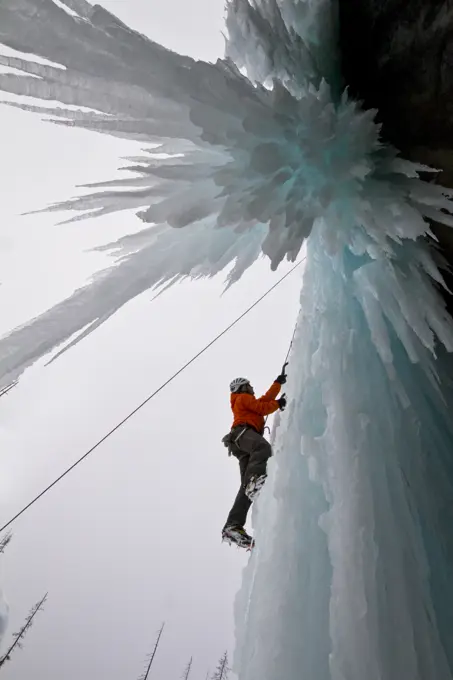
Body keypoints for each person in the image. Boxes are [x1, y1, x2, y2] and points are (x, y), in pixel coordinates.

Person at [221, 369, 287, 548]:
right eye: (248, 386)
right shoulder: (241, 398)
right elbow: (262, 407)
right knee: (262, 447)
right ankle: (254, 481)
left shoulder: (245, 402)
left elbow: (264, 400)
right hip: (243, 434)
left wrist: (278, 382)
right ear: (241, 387)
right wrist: (280, 403)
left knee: (245, 487)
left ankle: (233, 525)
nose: (251, 388)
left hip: (240, 442)